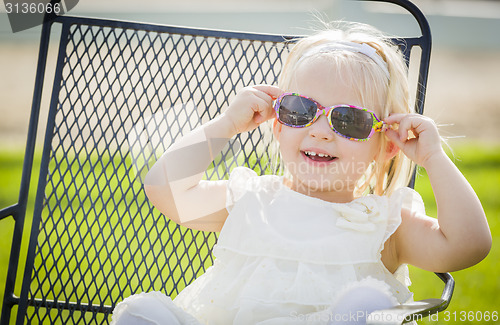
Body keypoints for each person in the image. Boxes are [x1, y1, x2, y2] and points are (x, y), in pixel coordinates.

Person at [111, 22, 491, 325]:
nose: (321, 130)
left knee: (366, 305)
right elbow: (164, 189)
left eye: (349, 120)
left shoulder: (384, 222)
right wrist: (225, 124)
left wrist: (434, 158)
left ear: (386, 145)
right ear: (277, 125)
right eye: (300, 110)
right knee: (140, 314)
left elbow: (468, 245)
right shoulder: (251, 199)